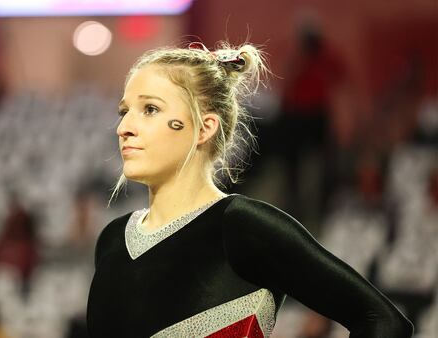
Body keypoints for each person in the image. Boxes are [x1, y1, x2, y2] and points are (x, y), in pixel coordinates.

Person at [85, 40, 414, 337]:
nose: (124, 127)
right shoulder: (112, 241)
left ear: (204, 127)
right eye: (124, 111)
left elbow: (381, 321)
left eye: (150, 109)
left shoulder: (240, 226)